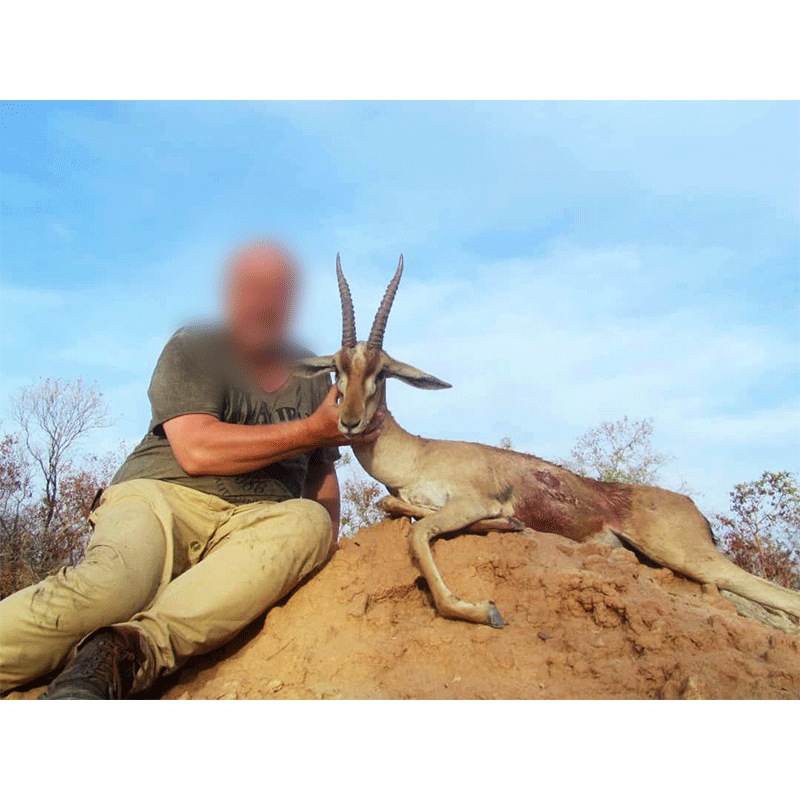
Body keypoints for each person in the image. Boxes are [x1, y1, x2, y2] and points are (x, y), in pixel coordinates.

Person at [0, 241, 382, 699]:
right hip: (161, 498)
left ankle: (121, 656)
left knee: (309, 522)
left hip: (256, 522)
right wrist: (312, 430)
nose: (264, 300)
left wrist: (327, 545)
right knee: (114, 588)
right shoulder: (195, 346)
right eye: (251, 287)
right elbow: (197, 450)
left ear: (291, 301)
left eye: (276, 290)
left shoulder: (315, 374)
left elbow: (322, 477)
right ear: (230, 295)